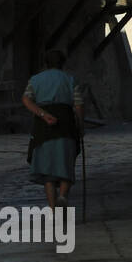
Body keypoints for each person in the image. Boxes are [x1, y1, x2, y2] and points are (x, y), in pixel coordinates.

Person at [22, 49, 84, 211]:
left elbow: (26, 99)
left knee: (47, 172)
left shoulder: (35, 80)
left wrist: (42, 114)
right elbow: (78, 106)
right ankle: (62, 196)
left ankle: (52, 209)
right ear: (62, 63)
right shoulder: (70, 80)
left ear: (46, 63)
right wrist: (80, 126)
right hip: (66, 125)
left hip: (44, 129)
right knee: (66, 165)